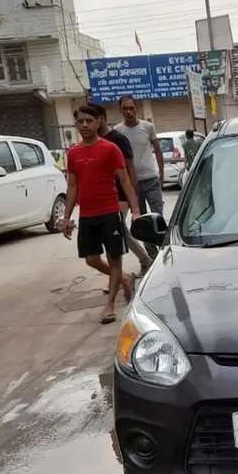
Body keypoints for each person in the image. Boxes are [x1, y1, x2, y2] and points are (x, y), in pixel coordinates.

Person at [62, 105, 141, 325]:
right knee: (91, 260)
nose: (85, 125)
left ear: (99, 122)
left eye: (89, 121)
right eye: (80, 121)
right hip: (87, 215)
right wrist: (67, 217)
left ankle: (109, 305)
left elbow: (124, 180)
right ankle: (124, 279)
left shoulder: (110, 149)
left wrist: (135, 211)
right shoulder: (73, 153)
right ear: (76, 124)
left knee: (115, 260)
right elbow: (72, 186)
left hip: (109, 213)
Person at [93, 105, 152, 275]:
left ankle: (141, 262)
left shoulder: (118, 139)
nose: (86, 125)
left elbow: (130, 168)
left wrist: (132, 193)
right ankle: (139, 263)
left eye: (91, 120)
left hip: (120, 193)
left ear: (101, 119)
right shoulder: (95, 142)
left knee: (118, 232)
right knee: (117, 233)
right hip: (104, 196)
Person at [114, 95, 164, 259]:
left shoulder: (148, 127)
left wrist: (161, 173)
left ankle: (165, 251)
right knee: (142, 222)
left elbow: (157, 150)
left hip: (151, 179)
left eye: (131, 108)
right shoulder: (117, 131)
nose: (128, 111)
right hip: (132, 184)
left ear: (136, 108)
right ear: (120, 110)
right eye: (125, 108)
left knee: (158, 218)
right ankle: (152, 256)